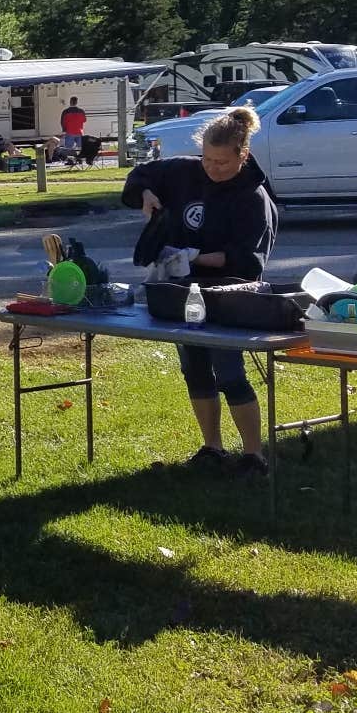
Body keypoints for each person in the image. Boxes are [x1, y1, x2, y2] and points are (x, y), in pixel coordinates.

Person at [120, 105, 280, 477]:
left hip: (230, 295)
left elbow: (246, 261)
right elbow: (140, 175)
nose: (212, 168)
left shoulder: (254, 199)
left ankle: (253, 455)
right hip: (181, 292)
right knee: (194, 369)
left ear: (243, 155)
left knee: (229, 373)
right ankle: (212, 447)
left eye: (222, 162)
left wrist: (193, 256)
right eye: (207, 159)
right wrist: (146, 194)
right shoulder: (184, 171)